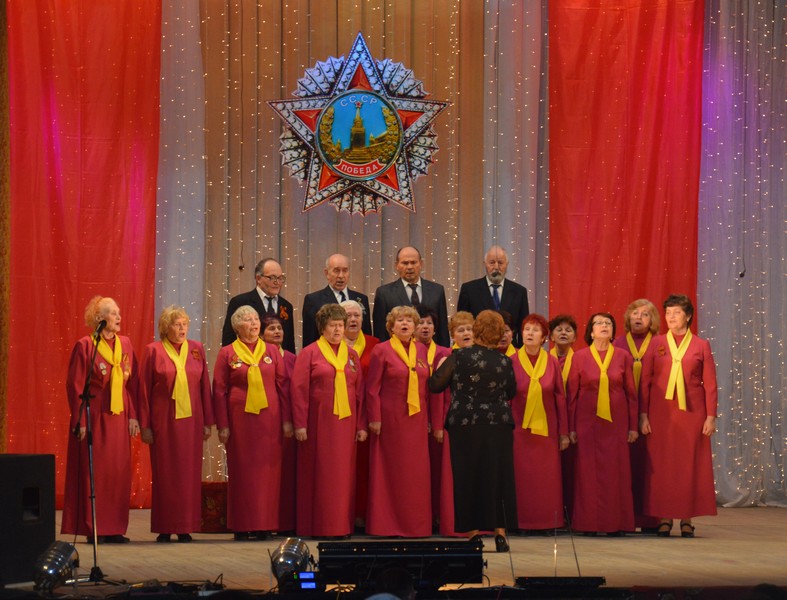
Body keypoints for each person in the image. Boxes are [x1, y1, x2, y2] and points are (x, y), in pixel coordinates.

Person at [428, 310, 517, 552]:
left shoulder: (458, 357)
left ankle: (473, 535)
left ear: (476, 331)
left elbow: (435, 385)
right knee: (497, 477)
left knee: (468, 477)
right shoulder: (504, 361)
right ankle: (500, 534)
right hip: (498, 424)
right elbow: (511, 391)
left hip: (465, 424)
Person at [62, 296, 139, 544]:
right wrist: (80, 421)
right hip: (94, 415)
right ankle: (94, 527)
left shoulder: (125, 344)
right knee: (95, 472)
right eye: (113, 313)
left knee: (117, 473)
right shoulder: (86, 346)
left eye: (118, 312)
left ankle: (115, 528)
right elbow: (75, 386)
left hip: (119, 417)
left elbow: (132, 385)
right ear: (99, 318)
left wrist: (133, 416)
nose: (118, 317)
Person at [640, 294, 718, 538]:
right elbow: (645, 381)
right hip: (661, 412)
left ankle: (686, 518)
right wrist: (643, 415)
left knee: (688, 464)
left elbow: (710, 384)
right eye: (668, 313)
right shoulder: (656, 343)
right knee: (663, 465)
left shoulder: (701, 345)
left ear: (688, 316)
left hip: (692, 413)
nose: (671, 317)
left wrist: (711, 416)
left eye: (676, 312)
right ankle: (664, 517)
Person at [213, 305, 290, 540]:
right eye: (248, 320)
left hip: (270, 421)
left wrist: (287, 421)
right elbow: (219, 391)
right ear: (237, 326)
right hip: (240, 421)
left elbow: (283, 387)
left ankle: (265, 524)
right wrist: (223, 425)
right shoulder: (227, 353)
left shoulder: (272, 351)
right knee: (243, 472)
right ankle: (242, 525)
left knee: (268, 474)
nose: (254, 323)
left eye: (256, 319)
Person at [291, 304, 367, 537]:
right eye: (333, 325)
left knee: (343, 476)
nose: (337, 330)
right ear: (322, 328)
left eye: (340, 325)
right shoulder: (310, 353)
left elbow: (360, 393)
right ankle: (320, 526)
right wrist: (300, 424)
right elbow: (299, 390)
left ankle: (341, 526)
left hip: (346, 425)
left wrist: (361, 425)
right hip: (319, 424)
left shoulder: (352, 355)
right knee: (322, 475)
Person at [139, 306, 214, 543]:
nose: (182, 329)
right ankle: (165, 526)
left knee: (188, 474)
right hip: (164, 421)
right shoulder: (153, 351)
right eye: (177, 324)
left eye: (184, 324)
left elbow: (204, 387)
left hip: (191, 421)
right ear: (165, 327)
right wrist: (145, 425)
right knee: (166, 474)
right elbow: (143, 390)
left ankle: (185, 526)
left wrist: (208, 421)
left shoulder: (196, 349)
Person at [567, 313, 638, 535]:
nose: (604, 326)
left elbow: (631, 394)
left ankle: (616, 523)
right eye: (599, 323)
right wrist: (570, 427)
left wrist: (633, 426)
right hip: (587, 422)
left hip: (616, 423)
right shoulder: (579, 357)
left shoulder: (623, 356)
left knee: (616, 473)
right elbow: (571, 395)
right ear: (591, 331)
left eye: (608, 323)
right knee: (587, 473)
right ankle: (588, 523)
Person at [366, 305, 432, 537]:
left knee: (415, 473)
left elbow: (426, 388)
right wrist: (374, 418)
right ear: (391, 327)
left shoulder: (421, 349)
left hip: (416, 419)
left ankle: (415, 525)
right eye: (400, 320)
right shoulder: (381, 350)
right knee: (391, 472)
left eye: (409, 320)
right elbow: (372, 388)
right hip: (390, 420)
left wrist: (429, 419)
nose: (405, 324)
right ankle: (387, 525)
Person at [511, 314, 569, 533]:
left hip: (547, 431)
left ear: (544, 337)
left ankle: (546, 522)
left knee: (546, 478)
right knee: (522, 477)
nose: (530, 334)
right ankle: (522, 522)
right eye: (527, 329)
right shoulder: (512, 361)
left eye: (535, 330)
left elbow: (560, 398)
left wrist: (563, 432)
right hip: (519, 429)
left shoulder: (551, 361)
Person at [613, 299, 661, 533]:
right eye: (634, 313)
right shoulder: (618, 344)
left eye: (644, 314)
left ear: (653, 320)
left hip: (654, 412)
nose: (638, 317)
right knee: (627, 465)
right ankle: (627, 517)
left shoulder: (660, 344)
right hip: (624, 413)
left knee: (651, 467)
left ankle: (651, 519)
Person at [429, 311, 474, 537]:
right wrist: (438, 425)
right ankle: (454, 523)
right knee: (454, 473)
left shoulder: (482, 355)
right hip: (453, 422)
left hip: (477, 423)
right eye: (460, 330)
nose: (466, 333)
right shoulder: (446, 356)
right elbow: (438, 394)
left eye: (469, 329)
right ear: (452, 335)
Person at [340, 299, 379, 531]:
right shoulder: (332, 344)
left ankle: (364, 515)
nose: (353, 320)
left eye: (357, 316)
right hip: (341, 412)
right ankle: (342, 515)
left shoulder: (376, 345)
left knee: (365, 466)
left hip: (368, 413)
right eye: (348, 316)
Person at [416, 306, 452, 533]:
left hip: (440, 419)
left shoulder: (445, 353)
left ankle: (439, 515)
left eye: (429, 323)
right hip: (416, 417)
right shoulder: (408, 351)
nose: (425, 327)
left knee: (438, 469)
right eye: (420, 322)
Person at [261, 314, 296, 533]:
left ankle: (285, 522)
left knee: (287, 473)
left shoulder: (292, 358)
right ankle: (265, 520)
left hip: (289, 420)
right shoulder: (258, 357)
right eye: (271, 328)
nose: (277, 332)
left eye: (279, 328)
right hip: (268, 419)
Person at [372, 246, 449, 346]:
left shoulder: (437, 291)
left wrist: (445, 353)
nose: (409, 267)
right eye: (405, 263)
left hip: (431, 352)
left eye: (413, 262)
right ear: (397, 265)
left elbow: (442, 330)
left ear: (421, 264)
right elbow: (380, 332)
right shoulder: (384, 293)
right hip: (397, 351)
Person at [456, 245, 529, 347]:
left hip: (510, 351)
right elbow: (461, 323)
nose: (496, 267)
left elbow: (523, 328)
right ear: (485, 264)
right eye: (492, 262)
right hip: (478, 350)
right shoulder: (469, 290)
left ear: (507, 264)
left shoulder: (519, 292)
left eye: (500, 263)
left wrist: (521, 352)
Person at [221, 258, 295, 352]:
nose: (277, 282)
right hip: (247, 358)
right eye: (272, 278)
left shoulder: (286, 306)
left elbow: (289, 344)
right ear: (258, 278)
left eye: (280, 278)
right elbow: (229, 339)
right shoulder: (240, 302)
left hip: (279, 360)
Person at [302, 254, 372, 349]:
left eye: (345, 270)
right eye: (336, 270)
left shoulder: (361, 299)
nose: (341, 276)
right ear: (327, 273)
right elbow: (309, 340)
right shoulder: (313, 300)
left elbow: (367, 335)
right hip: (326, 354)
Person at [548, 314, 578, 516]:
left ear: (575, 337)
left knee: (572, 467)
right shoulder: (544, 359)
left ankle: (572, 512)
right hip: (551, 417)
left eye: (568, 330)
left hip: (574, 416)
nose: (564, 333)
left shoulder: (582, 358)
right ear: (550, 336)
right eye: (559, 330)